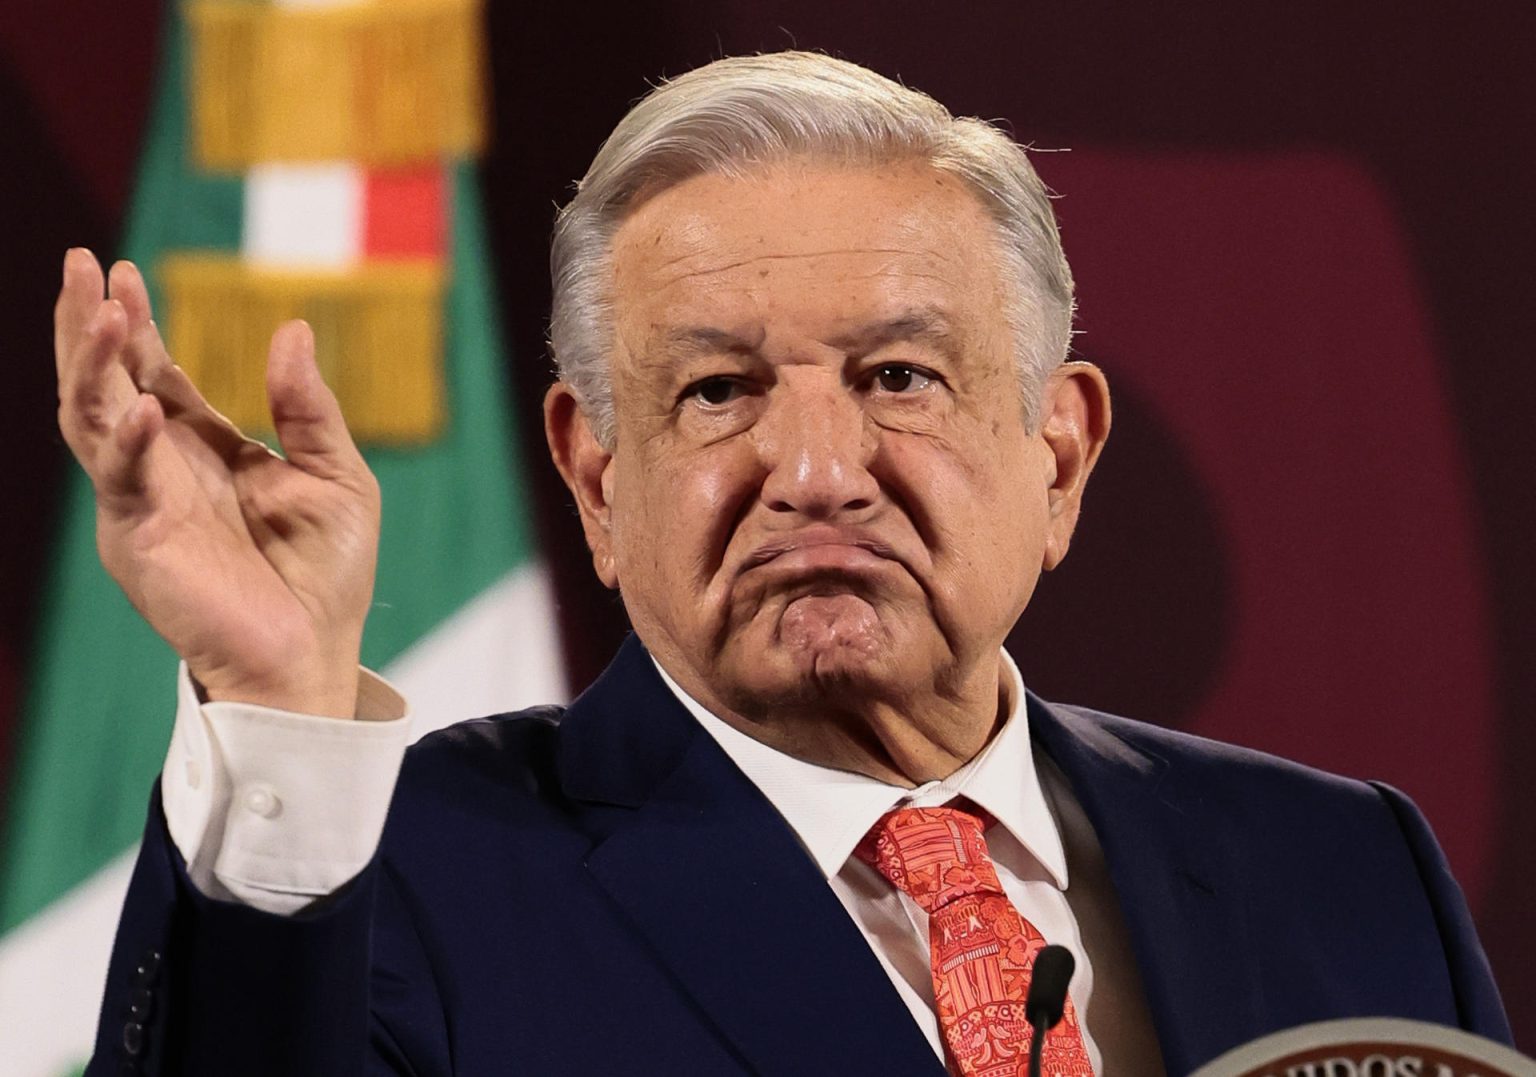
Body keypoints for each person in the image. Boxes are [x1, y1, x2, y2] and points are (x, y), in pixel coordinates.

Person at [57, 52, 1508, 1076]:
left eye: (896, 375)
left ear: (1056, 455)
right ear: (598, 478)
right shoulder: (395, 876)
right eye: (717, 392)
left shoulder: (1344, 869)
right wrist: (273, 695)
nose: (815, 472)